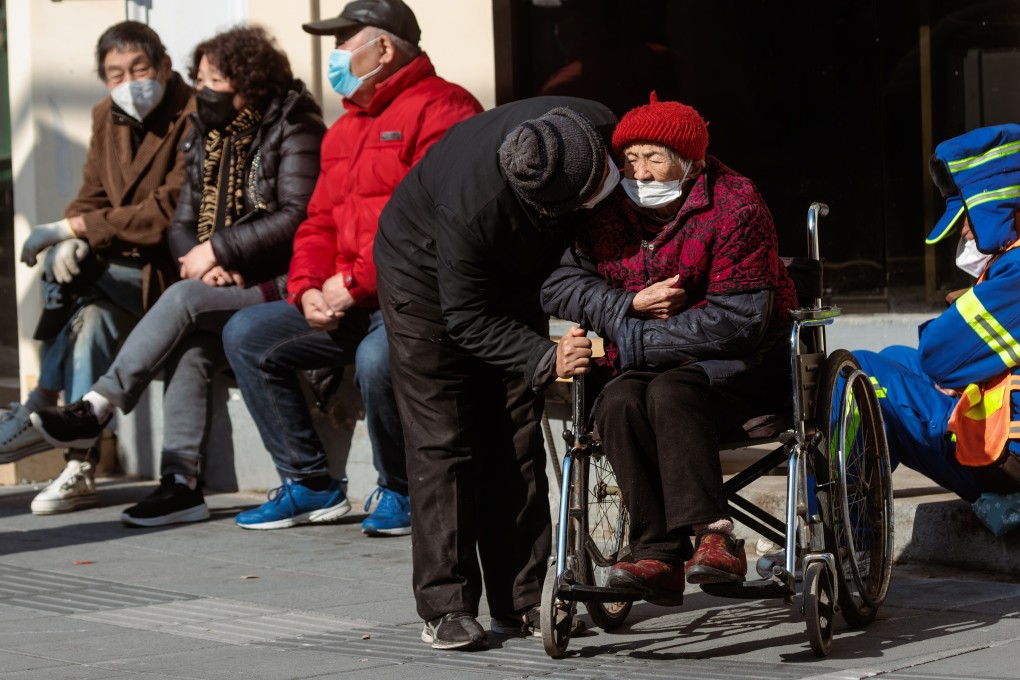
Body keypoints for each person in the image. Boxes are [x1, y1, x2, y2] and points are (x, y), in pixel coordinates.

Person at [29, 26, 326, 526]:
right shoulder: (207, 136)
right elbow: (182, 222)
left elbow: (297, 215)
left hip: (282, 282)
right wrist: (201, 258)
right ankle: (181, 483)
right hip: (221, 281)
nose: (203, 90)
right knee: (189, 345)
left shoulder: (295, 128)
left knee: (182, 301)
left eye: (214, 80)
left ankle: (95, 408)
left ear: (248, 84)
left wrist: (220, 251)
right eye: (201, 78)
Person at [221, 0, 482, 534]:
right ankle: (309, 483)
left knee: (375, 358)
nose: (335, 55)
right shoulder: (344, 128)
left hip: (417, 301)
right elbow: (317, 221)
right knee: (248, 331)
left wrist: (357, 283)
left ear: (382, 48)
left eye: (344, 42)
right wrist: (308, 288)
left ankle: (403, 488)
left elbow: (438, 224)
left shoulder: (446, 108)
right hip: (349, 298)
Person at [375, 96, 618, 650]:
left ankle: (526, 598)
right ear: (541, 208)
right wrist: (544, 356)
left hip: (511, 270)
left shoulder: (597, 121)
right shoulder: (474, 209)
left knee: (515, 428)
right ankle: (447, 606)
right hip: (423, 270)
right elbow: (465, 317)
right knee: (445, 438)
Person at [541, 93, 798, 607]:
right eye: (630, 158)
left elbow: (739, 320)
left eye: (654, 157)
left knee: (671, 391)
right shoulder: (608, 209)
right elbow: (559, 285)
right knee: (614, 403)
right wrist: (626, 304)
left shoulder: (735, 203)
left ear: (692, 162)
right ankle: (657, 551)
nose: (640, 171)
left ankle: (714, 534)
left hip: (739, 371)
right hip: (642, 366)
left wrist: (632, 338)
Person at [0, 21, 193, 513]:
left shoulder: (193, 114)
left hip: (171, 273)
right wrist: (74, 229)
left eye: (140, 68)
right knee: (90, 320)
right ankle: (80, 465)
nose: (129, 82)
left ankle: (39, 402)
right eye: (115, 73)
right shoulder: (105, 116)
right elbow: (91, 194)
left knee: (77, 276)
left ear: (165, 67)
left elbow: (164, 212)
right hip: (116, 275)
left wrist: (74, 232)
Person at [855, 124, 1020, 505]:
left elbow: (939, 356)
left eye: (968, 215)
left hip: (1006, 459)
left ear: (996, 209)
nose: (963, 231)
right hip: (1007, 436)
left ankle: (845, 541)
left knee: (862, 372)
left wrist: (965, 308)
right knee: (896, 358)